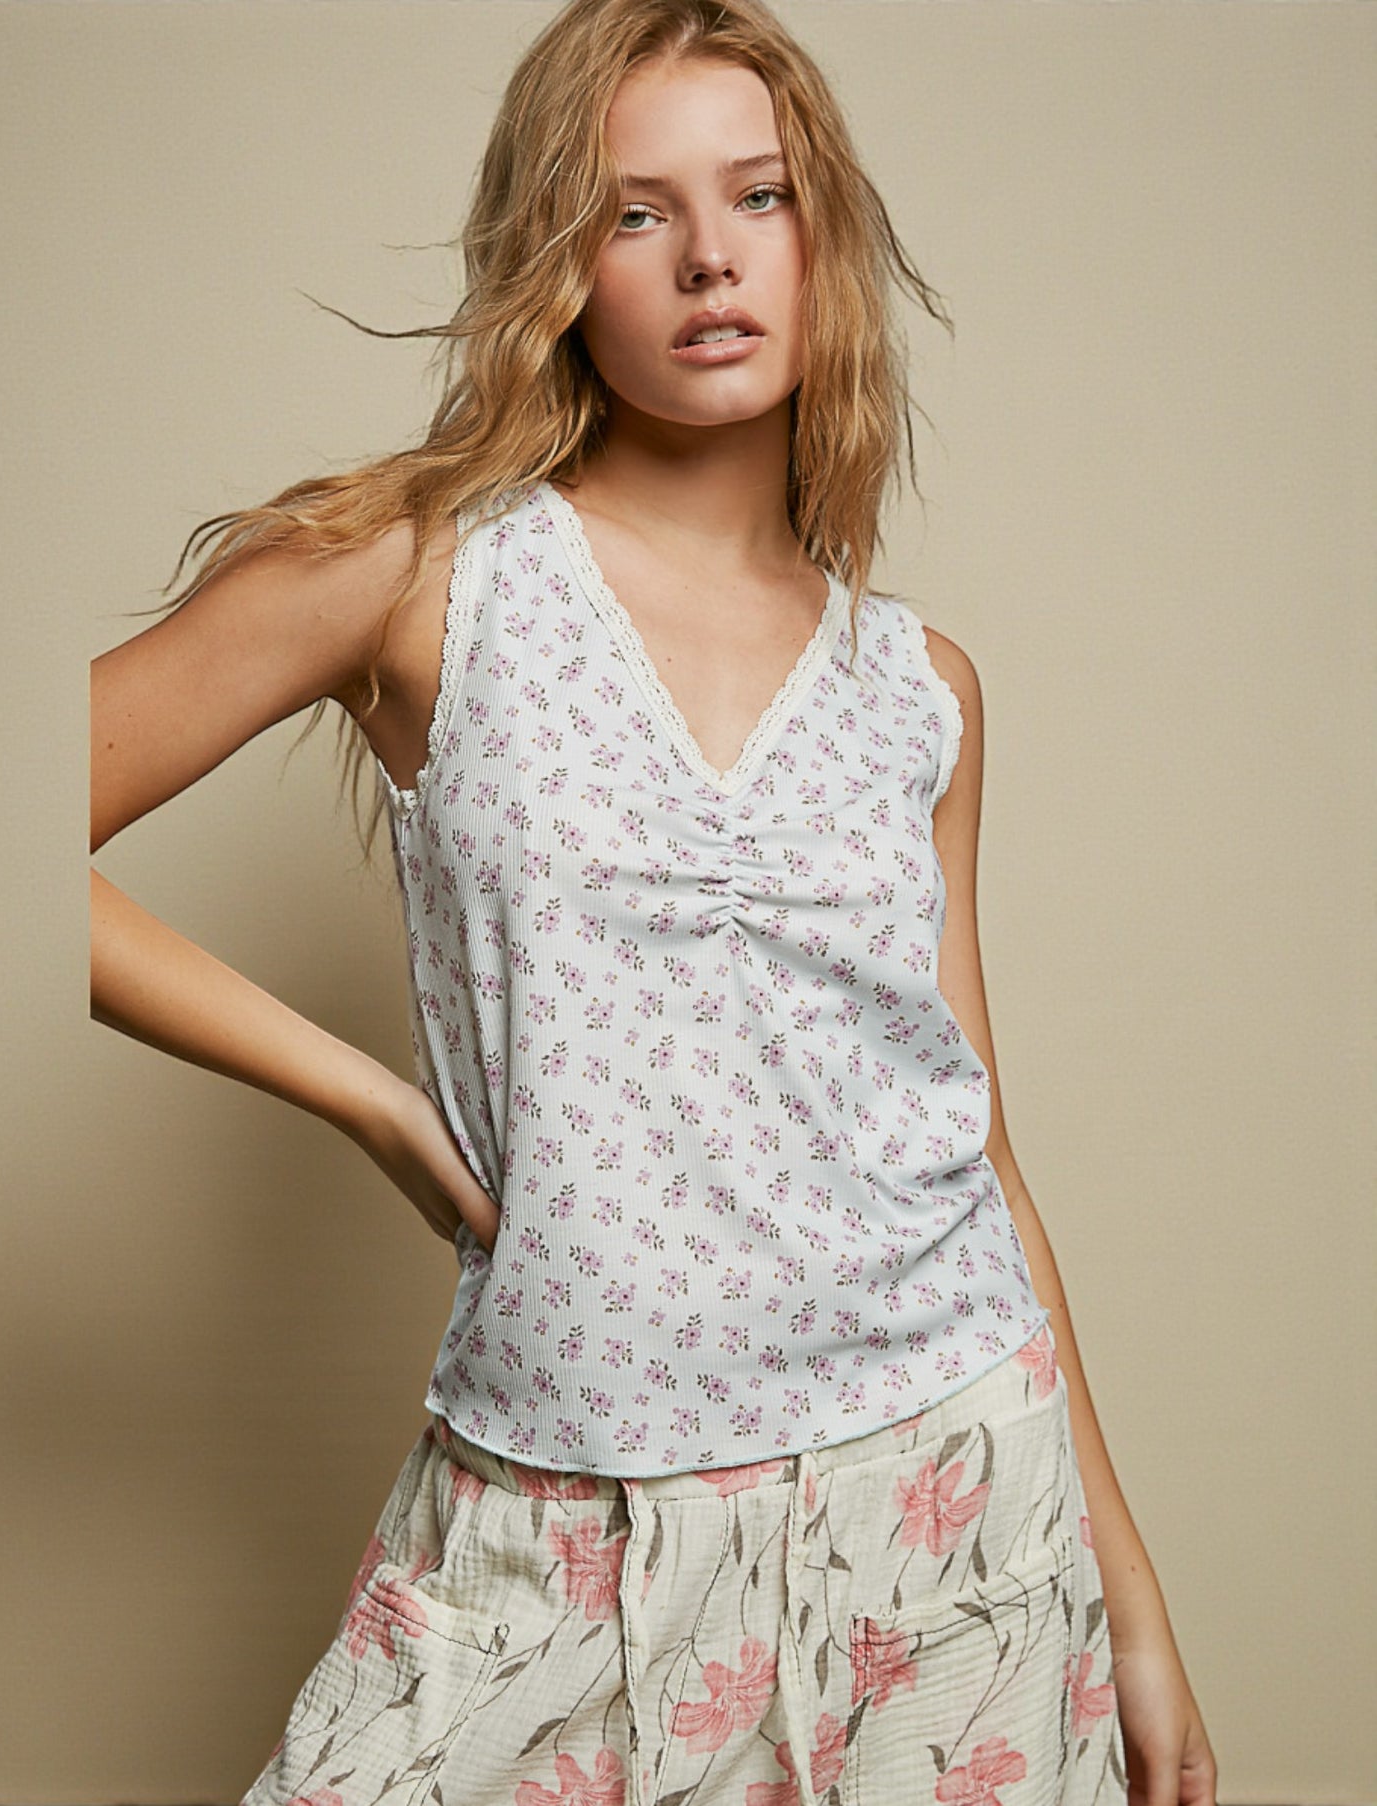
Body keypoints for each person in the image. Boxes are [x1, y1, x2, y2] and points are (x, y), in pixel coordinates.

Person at [89, 2, 1218, 1802]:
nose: (707, 256)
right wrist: (371, 1095)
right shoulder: (415, 575)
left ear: (819, 237)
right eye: (634, 213)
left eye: (757, 197)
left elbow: (975, 1148)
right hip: (564, 1504)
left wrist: (1136, 1615)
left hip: (948, 1507)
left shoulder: (920, 686)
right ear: (557, 261)